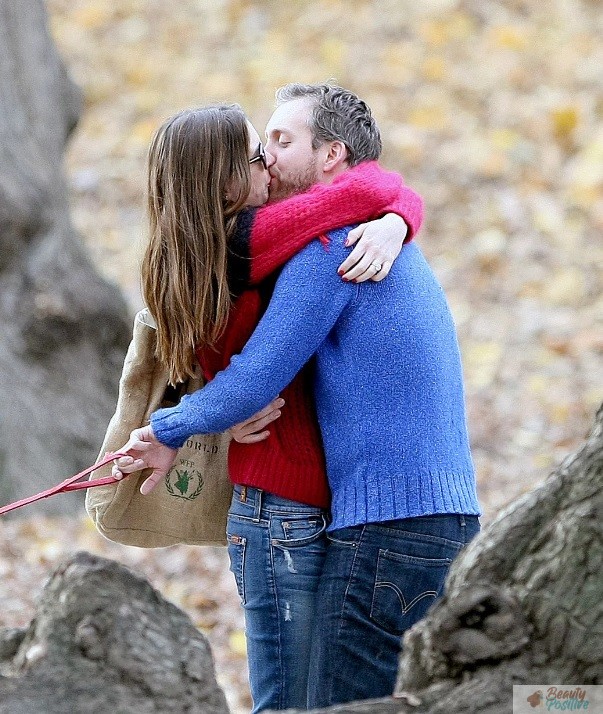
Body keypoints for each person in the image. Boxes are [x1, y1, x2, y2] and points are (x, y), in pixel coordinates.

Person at [114, 82, 480, 708]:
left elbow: (256, 376)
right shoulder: (272, 246)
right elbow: (371, 189)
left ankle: (566, 698)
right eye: (260, 149)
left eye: (280, 142)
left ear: (331, 154)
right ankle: (566, 698)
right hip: (434, 511)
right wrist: (396, 210)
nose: (270, 159)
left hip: (382, 524)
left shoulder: (331, 247)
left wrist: (169, 430)